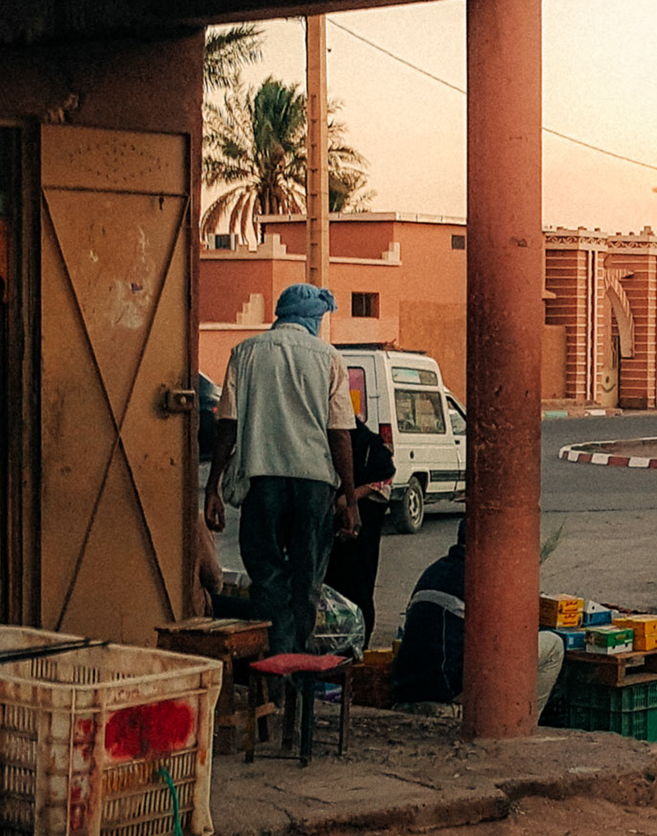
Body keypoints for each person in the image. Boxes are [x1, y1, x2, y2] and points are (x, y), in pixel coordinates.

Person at [203, 283, 358, 659]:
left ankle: (274, 670)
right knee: (307, 584)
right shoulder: (329, 358)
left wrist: (213, 487)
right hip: (314, 487)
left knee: (268, 582)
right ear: (312, 319)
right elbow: (339, 436)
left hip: (263, 483)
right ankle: (301, 673)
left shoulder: (245, 353)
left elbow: (227, 425)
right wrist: (349, 500)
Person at [391, 520, 565, 718]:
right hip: (449, 695)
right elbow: (504, 647)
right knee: (553, 645)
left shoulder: (433, 571)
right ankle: (524, 721)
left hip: (405, 690)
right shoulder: (486, 577)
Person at [324, 418, 395, 647]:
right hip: (331, 536)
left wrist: (351, 498)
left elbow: (385, 478)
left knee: (358, 592)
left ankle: (356, 648)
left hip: (360, 538)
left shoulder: (367, 445)